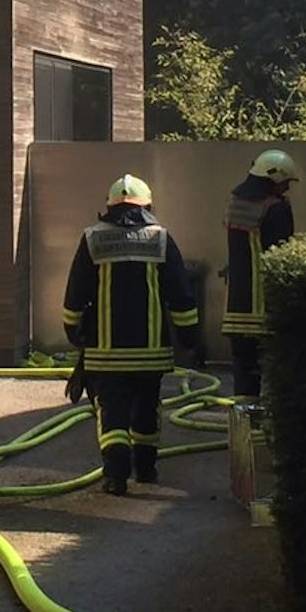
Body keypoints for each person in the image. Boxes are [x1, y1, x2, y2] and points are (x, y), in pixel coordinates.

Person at [60, 174, 202, 496]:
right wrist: (189, 336)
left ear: (108, 207)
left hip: (105, 353)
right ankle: (147, 469)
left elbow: (76, 293)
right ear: (148, 206)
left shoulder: (93, 238)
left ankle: (115, 476)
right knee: (146, 410)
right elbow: (181, 294)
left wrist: (74, 331)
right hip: (151, 353)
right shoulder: (161, 238)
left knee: (112, 413)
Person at [220, 148, 300, 397]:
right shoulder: (275, 209)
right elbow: (282, 253)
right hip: (266, 306)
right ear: (273, 177)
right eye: (285, 182)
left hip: (235, 307)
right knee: (278, 372)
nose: (286, 188)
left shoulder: (236, 203)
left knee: (244, 375)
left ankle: (245, 430)